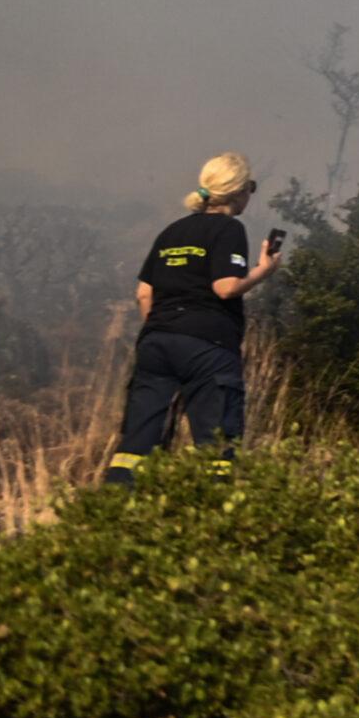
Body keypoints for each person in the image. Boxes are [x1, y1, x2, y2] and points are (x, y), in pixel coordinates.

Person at [105, 152, 279, 485]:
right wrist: (263, 270)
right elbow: (226, 287)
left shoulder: (171, 232)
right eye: (251, 187)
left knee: (137, 443)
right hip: (208, 347)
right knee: (217, 447)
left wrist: (163, 328)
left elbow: (144, 294)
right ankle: (214, 510)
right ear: (238, 191)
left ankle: (115, 504)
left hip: (156, 343)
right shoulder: (229, 229)